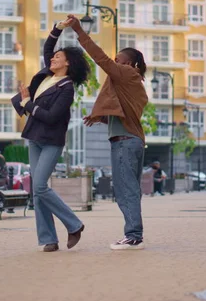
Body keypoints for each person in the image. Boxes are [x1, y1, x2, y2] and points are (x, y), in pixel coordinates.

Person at [65, 14, 148, 250]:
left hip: (124, 143)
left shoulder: (127, 74)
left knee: (126, 191)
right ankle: (134, 234)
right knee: (129, 189)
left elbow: (100, 59)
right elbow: (121, 108)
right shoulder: (134, 83)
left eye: (119, 60)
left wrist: (80, 32)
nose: (114, 62)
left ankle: (133, 236)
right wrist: (100, 116)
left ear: (130, 65)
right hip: (131, 141)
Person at [11, 21, 89, 252]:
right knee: (37, 190)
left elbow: (52, 116)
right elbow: (48, 48)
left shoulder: (67, 88)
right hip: (34, 137)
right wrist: (57, 28)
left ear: (68, 63)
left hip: (51, 141)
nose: (52, 59)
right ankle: (49, 239)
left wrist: (28, 104)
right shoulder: (48, 75)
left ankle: (74, 225)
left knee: (41, 186)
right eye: (53, 57)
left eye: (58, 57)